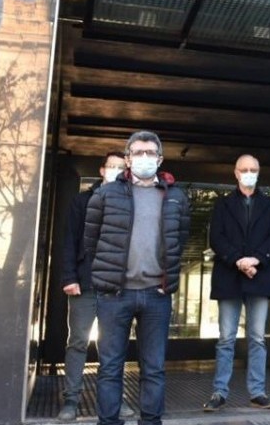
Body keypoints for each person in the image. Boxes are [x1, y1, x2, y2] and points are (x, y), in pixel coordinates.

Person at [83, 131, 188, 425]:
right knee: (110, 367)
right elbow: (91, 242)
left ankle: (151, 421)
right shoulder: (105, 195)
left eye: (150, 152)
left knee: (154, 368)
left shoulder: (176, 197)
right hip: (115, 295)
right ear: (128, 158)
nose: (145, 157)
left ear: (160, 158)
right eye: (138, 152)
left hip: (157, 294)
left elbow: (178, 240)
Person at [57, 152, 136, 422]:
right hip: (85, 282)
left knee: (112, 347)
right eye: (111, 166)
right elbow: (69, 240)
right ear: (102, 170)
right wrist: (69, 277)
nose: (115, 170)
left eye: (120, 167)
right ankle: (71, 400)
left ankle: (115, 401)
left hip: (116, 287)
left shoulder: (130, 201)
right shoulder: (82, 201)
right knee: (78, 342)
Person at [203, 154, 270, 412]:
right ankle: (219, 392)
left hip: (259, 277)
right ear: (235, 173)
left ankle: (257, 392)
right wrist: (238, 260)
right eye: (244, 169)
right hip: (230, 276)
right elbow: (216, 237)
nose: (249, 173)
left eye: (254, 169)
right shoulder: (222, 205)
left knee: (257, 338)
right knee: (226, 338)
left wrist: (255, 260)